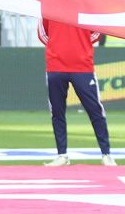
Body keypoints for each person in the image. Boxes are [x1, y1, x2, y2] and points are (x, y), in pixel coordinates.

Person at [37, 19, 115, 167]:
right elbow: (42, 33)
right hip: (56, 66)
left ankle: (106, 154)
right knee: (57, 112)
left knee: (95, 110)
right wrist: (58, 47)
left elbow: (97, 30)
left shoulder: (85, 2)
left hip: (82, 66)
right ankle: (62, 155)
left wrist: (80, 44)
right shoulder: (47, 4)